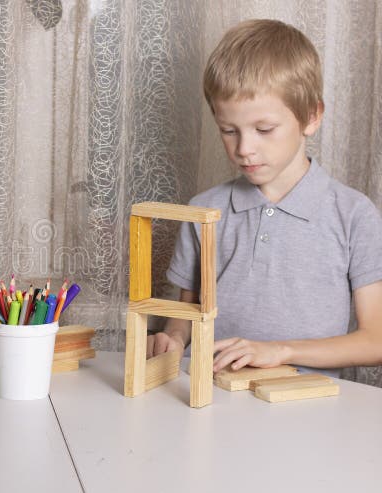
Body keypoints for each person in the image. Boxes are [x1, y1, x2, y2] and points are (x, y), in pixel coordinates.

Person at [146, 19, 382, 377]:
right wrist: (173, 339)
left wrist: (278, 351)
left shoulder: (354, 214)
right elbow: (186, 317)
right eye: (228, 131)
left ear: (312, 116)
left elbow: (375, 341)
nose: (244, 149)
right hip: (215, 398)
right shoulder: (203, 211)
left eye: (264, 129)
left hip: (308, 411)